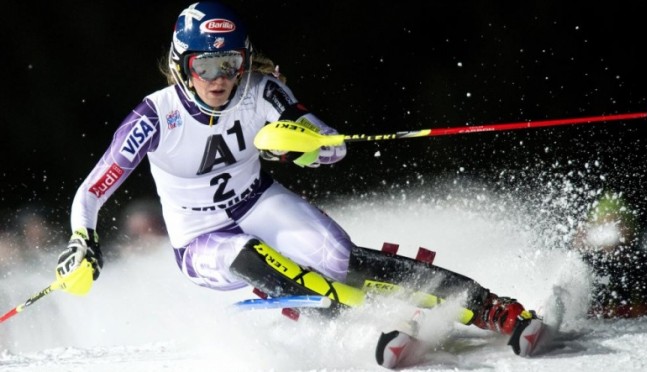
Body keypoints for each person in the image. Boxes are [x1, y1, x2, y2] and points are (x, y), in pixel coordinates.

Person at [54, 1, 540, 366]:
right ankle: (366, 325)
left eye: (230, 64)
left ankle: (492, 307)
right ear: (183, 66)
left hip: (258, 202)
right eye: (205, 66)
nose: (219, 79)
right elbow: (93, 189)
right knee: (253, 258)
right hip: (199, 239)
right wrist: (83, 240)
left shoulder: (261, 90)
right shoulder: (156, 117)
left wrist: (302, 146)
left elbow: (335, 144)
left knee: (340, 259)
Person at [573, 192, 647, 317]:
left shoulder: (642, 263)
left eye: (616, 224)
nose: (611, 233)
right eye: (604, 224)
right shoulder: (588, 264)